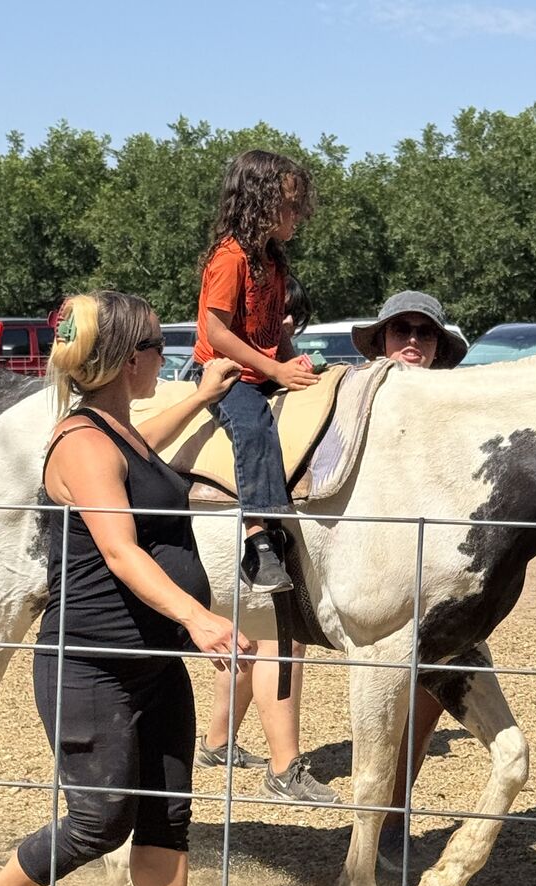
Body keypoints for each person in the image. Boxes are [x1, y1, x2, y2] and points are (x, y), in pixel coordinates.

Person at [0, 290, 256, 886]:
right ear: (124, 359)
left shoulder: (118, 432)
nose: (163, 358)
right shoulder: (82, 444)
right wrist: (199, 618)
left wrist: (200, 397)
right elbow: (120, 552)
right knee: (99, 820)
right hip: (91, 666)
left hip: (153, 661)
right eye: (154, 347)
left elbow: (141, 452)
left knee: (166, 812)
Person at [195, 274, 338, 803]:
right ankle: (283, 766)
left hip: (258, 376)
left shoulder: (283, 347)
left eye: (291, 315)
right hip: (237, 381)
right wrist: (275, 364)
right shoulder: (236, 284)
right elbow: (221, 333)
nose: (286, 322)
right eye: (279, 315)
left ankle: (217, 741)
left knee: (251, 634)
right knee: (278, 636)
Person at [350, 292, 468, 870]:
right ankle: (373, 832)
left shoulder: (454, 409)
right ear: (382, 339)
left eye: (425, 332)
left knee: (426, 703)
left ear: (439, 346)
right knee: (386, 703)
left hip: (438, 572)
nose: (414, 340)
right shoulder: (356, 395)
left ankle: (393, 819)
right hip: (367, 574)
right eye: (402, 330)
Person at [194, 149, 318, 594]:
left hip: (262, 368)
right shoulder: (230, 258)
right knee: (254, 425)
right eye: (290, 206)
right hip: (224, 372)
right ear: (260, 202)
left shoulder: (274, 261)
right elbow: (217, 333)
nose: (297, 216)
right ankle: (258, 539)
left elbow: (271, 329)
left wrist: (292, 360)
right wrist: (275, 370)